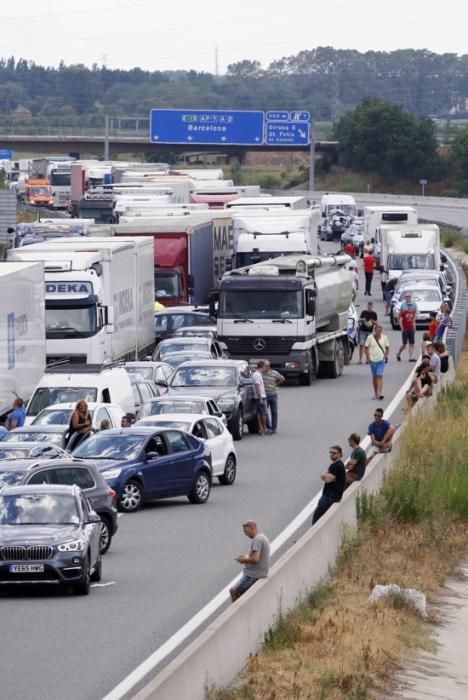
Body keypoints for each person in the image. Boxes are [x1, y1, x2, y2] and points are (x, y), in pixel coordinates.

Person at [229, 521, 270, 602]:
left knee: (233, 591)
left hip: (253, 575)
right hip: (258, 572)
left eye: (246, 532)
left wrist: (243, 560)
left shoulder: (257, 539)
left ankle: (238, 610)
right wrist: (246, 557)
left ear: (252, 528)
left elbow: (255, 559)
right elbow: (257, 556)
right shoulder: (262, 537)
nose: (245, 534)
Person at [312, 446, 346, 524]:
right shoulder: (334, 465)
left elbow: (327, 479)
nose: (331, 454)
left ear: (340, 454)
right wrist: (326, 475)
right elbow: (324, 476)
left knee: (317, 517)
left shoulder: (338, 466)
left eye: (334, 453)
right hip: (329, 496)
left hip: (330, 497)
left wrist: (326, 476)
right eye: (330, 453)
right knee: (320, 516)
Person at [364, 323, 390, 400]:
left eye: (380, 330)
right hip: (372, 360)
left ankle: (380, 393)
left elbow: (387, 348)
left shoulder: (384, 337)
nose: (379, 331)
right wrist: (368, 358)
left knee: (380, 375)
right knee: (375, 377)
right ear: (375, 330)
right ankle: (375, 393)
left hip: (381, 360)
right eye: (377, 330)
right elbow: (366, 348)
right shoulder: (370, 337)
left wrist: (384, 357)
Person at [262, 360, 285, 435]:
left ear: (269, 366)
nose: (265, 368)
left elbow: (282, 378)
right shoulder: (260, 373)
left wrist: (276, 384)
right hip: (265, 395)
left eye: (266, 366)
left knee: (274, 412)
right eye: (264, 366)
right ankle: (268, 427)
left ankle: (274, 428)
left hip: (273, 394)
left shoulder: (274, 373)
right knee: (265, 412)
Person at [396, 293, 418, 362]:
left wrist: (414, 327)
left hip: (410, 328)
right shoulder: (404, 310)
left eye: (408, 296)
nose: (409, 306)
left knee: (411, 343)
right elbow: (400, 318)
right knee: (404, 345)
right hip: (405, 329)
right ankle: (398, 354)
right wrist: (401, 327)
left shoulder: (413, 310)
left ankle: (410, 358)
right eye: (406, 297)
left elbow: (414, 319)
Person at [252, 360, 268, 435]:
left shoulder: (256, 374)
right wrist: (261, 398)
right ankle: (264, 428)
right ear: (263, 367)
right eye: (265, 366)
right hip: (260, 396)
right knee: (263, 413)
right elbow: (257, 387)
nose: (266, 368)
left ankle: (260, 428)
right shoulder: (257, 375)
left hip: (257, 396)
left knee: (258, 413)